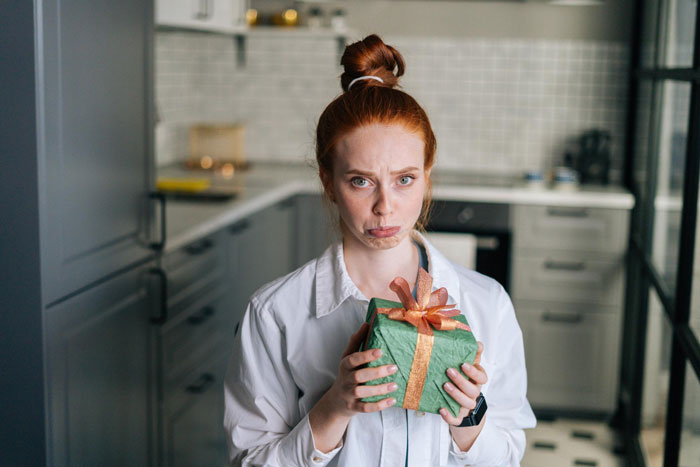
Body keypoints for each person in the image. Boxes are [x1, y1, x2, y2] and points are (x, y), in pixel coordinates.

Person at [223, 34, 536, 467]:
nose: (385, 205)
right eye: (360, 180)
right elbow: (248, 462)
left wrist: (469, 418)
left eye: (405, 179)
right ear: (329, 183)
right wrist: (335, 406)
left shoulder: (488, 305)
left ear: (426, 176)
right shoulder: (275, 314)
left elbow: (507, 455)